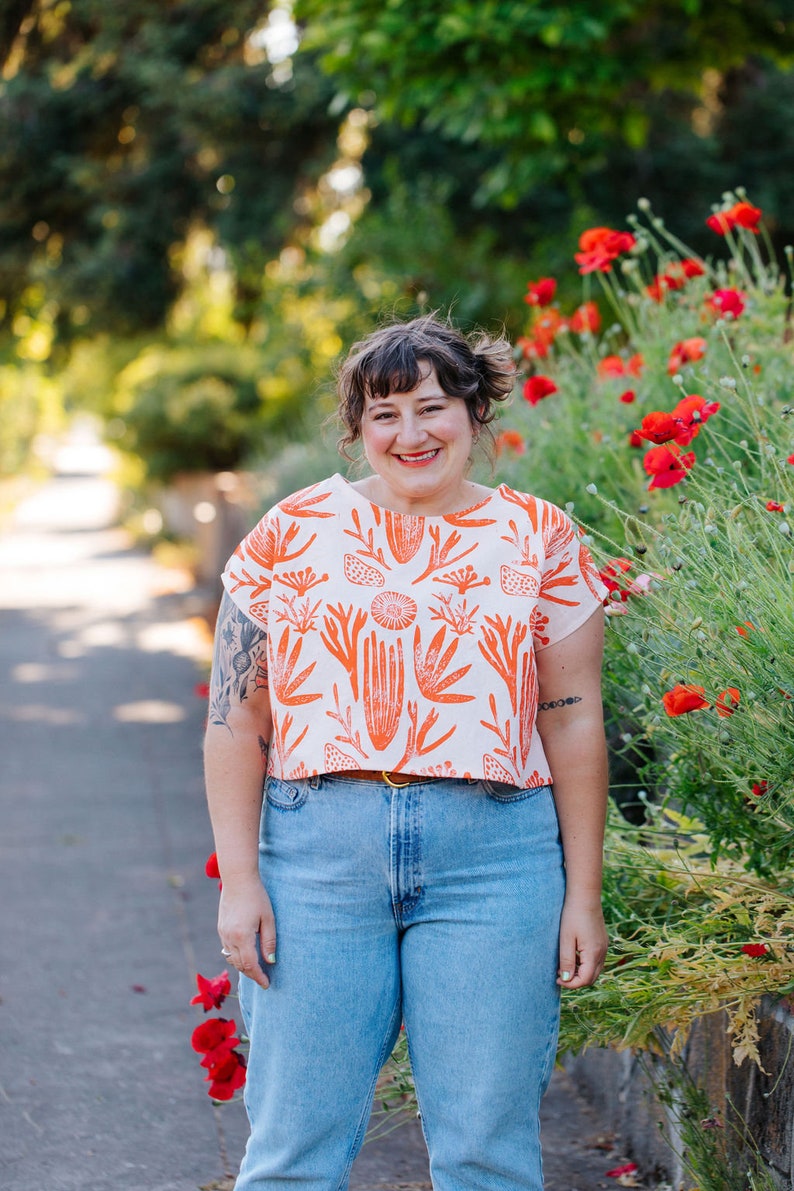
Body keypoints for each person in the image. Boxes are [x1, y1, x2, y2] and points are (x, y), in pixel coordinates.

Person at [203, 314, 609, 1191]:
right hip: (317, 858)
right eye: (384, 414)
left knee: (487, 1157)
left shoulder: (542, 538)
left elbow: (572, 719)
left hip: (495, 862)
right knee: (290, 1160)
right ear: (357, 429)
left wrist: (584, 894)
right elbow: (236, 719)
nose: (411, 434)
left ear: (474, 409)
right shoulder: (291, 532)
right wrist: (241, 880)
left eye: (432, 406)